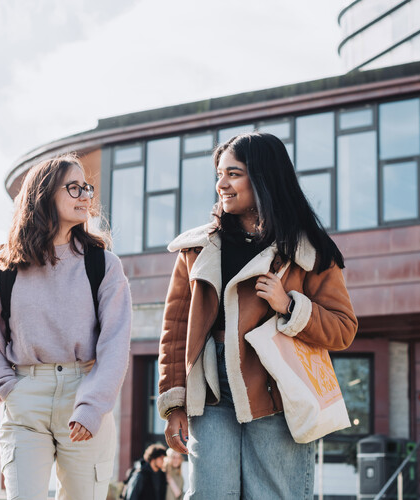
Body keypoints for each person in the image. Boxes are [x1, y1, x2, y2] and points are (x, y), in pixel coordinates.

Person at [156, 132, 358, 498]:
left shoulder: (308, 250)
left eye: (233, 174)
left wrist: (291, 306)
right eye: (219, 174)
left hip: (277, 393)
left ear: (263, 178)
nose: (221, 184)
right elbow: (174, 330)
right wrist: (174, 403)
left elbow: (343, 329)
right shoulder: (196, 249)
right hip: (212, 392)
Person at [0, 154, 132, 500]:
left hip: (85, 394)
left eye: (86, 188)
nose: (85, 196)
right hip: (25, 394)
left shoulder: (103, 265)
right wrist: (8, 389)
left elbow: (115, 344)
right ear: (43, 194)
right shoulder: (5, 267)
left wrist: (91, 406)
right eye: (74, 188)